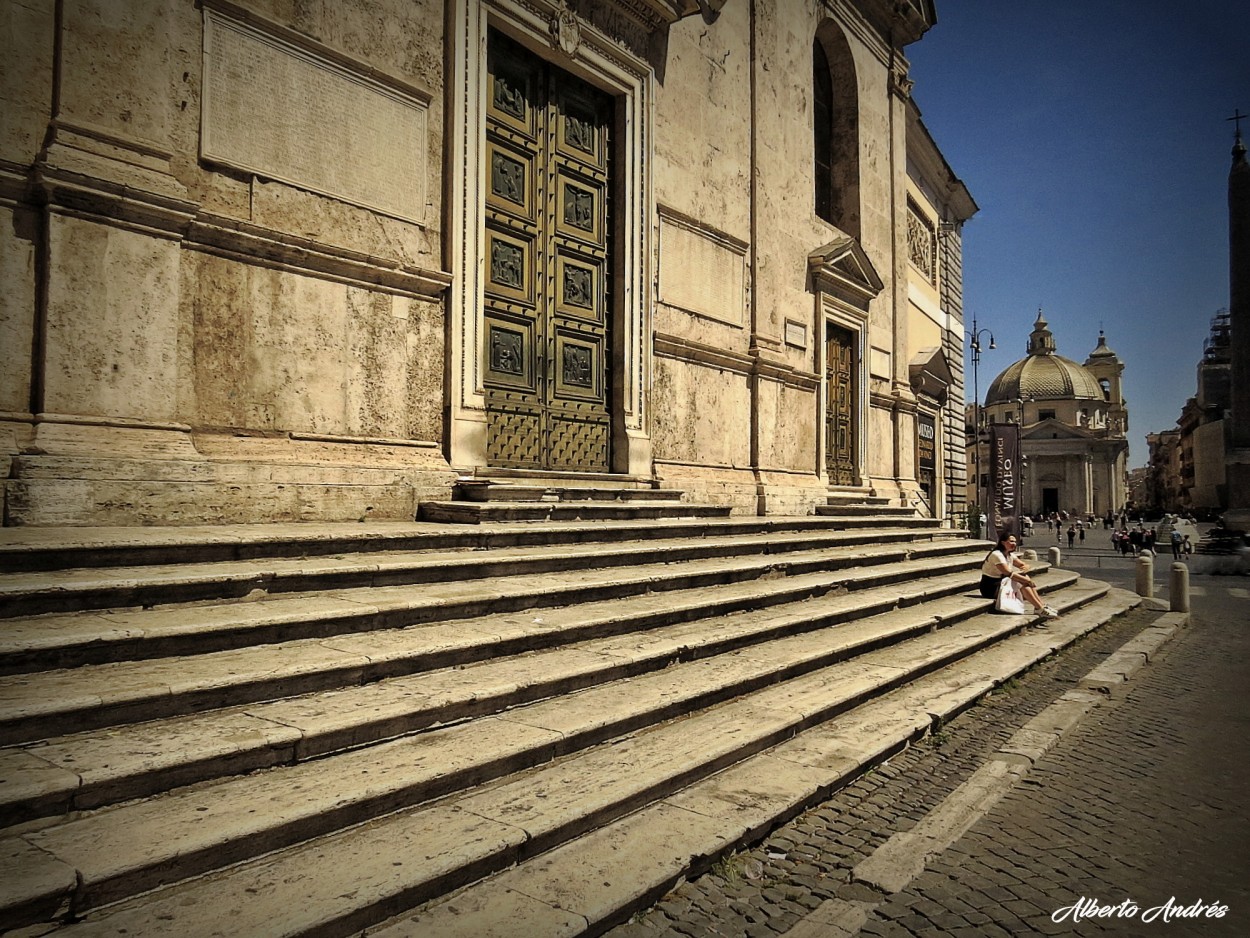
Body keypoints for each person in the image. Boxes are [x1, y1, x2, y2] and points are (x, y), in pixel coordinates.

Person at [980, 533, 1057, 618]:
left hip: (1001, 582)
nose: (1014, 544)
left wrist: (1024, 571)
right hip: (990, 587)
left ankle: (1041, 605)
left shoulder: (1009, 554)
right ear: (1003, 542)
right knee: (1023, 582)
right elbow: (1008, 573)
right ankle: (1039, 608)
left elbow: (1024, 565)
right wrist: (1026, 580)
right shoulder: (997, 555)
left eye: (1015, 542)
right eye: (1011, 541)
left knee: (1025, 578)